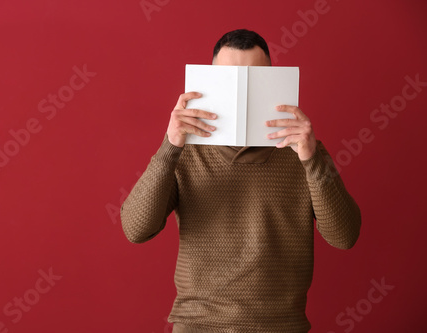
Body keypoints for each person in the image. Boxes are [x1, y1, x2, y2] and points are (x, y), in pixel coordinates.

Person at [120, 29, 361, 333]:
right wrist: (170, 146)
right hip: (199, 325)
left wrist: (312, 159)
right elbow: (135, 229)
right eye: (228, 81)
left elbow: (345, 236)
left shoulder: (304, 151)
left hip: (281, 326)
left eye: (255, 80)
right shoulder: (185, 152)